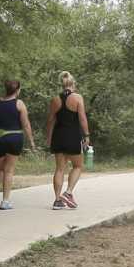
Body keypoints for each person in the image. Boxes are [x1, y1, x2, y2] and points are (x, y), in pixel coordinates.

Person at [46, 72, 89, 209]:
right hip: (73, 136)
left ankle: (57, 200)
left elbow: (50, 121)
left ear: (62, 84)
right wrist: (87, 135)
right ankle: (68, 192)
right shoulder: (77, 98)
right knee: (78, 166)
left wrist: (49, 138)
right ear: (73, 84)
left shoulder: (55, 100)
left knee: (59, 169)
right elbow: (82, 119)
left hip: (58, 136)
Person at [0, 79, 31, 210]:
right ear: (18, 90)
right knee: (9, 170)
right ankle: (5, 202)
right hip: (14, 136)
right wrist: (31, 141)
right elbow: (26, 124)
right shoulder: (19, 103)